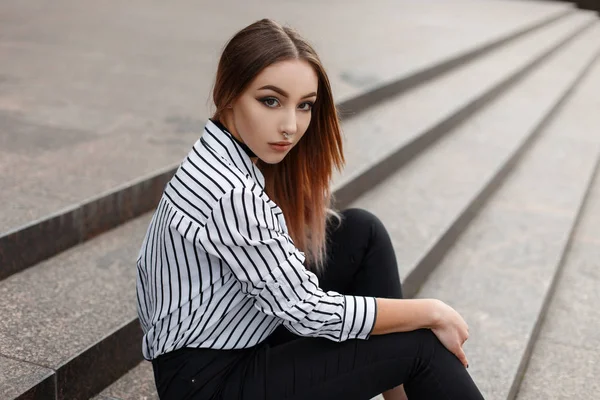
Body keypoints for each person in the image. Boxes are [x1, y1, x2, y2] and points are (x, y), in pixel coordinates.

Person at [135, 18, 484, 400]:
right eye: (270, 101)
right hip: (210, 385)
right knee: (419, 343)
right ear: (229, 95)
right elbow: (305, 309)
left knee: (360, 232)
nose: (290, 125)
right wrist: (431, 311)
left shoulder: (220, 156)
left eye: (304, 106)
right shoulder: (231, 192)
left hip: (232, 344)